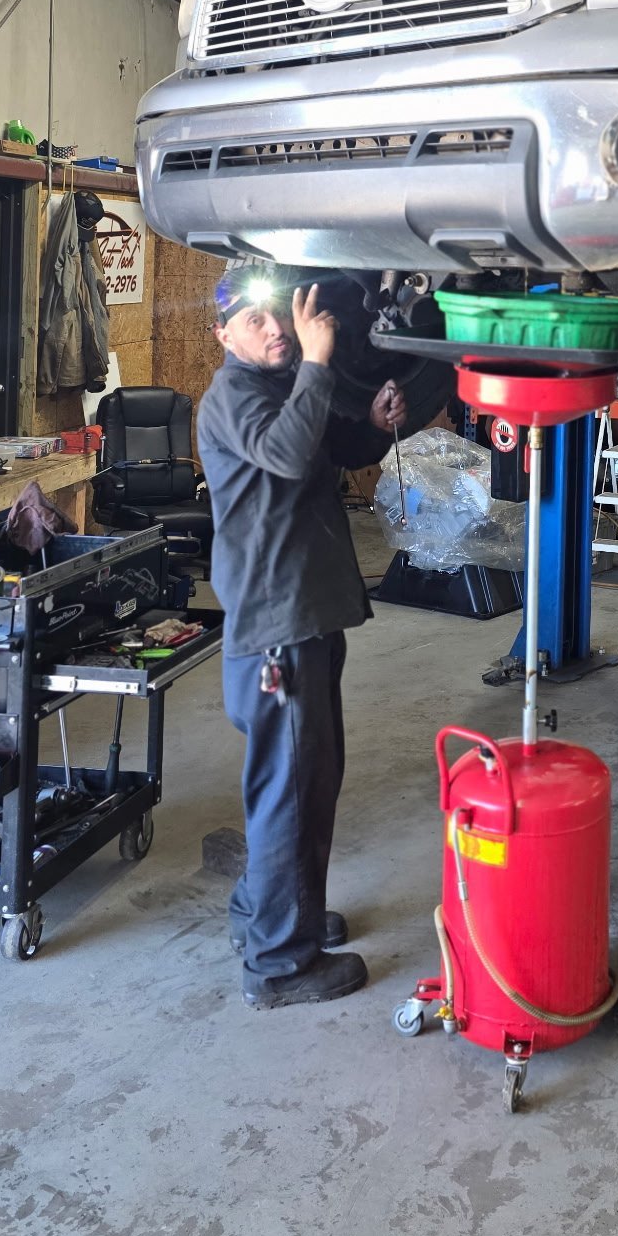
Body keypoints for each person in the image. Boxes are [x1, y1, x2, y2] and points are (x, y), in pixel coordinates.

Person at [198, 268, 406, 1009]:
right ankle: (280, 964)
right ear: (223, 335)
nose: (275, 329)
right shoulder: (230, 397)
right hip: (276, 628)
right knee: (289, 788)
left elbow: (323, 448)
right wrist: (318, 361)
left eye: (276, 316)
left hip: (304, 613)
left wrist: (374, 425)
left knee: (307, 779)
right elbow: (285, 454)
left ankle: (270, 914)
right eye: (254, 321)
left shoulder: (276, 386)